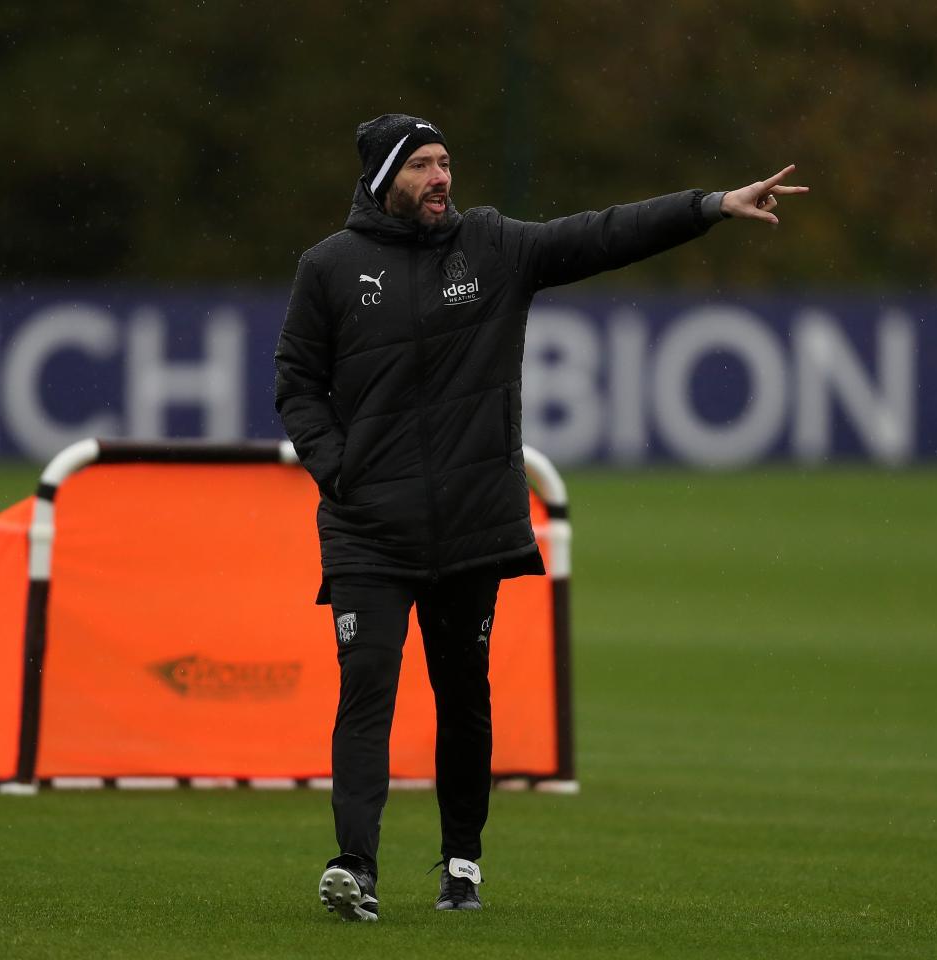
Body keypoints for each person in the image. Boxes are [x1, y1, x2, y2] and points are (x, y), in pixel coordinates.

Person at [274, 113, 807, 921]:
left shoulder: (491, 247)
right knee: (366, 694)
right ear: (385, 180)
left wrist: (707, 206)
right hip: (368, 531)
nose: (442, 177)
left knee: (463, 697)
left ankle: (462, 866)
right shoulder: (330, 267)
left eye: (446, 161)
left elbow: (601, 235)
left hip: (468, 527)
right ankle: (356, 867)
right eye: (421, 165)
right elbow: (296, 380)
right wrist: (337, 470)